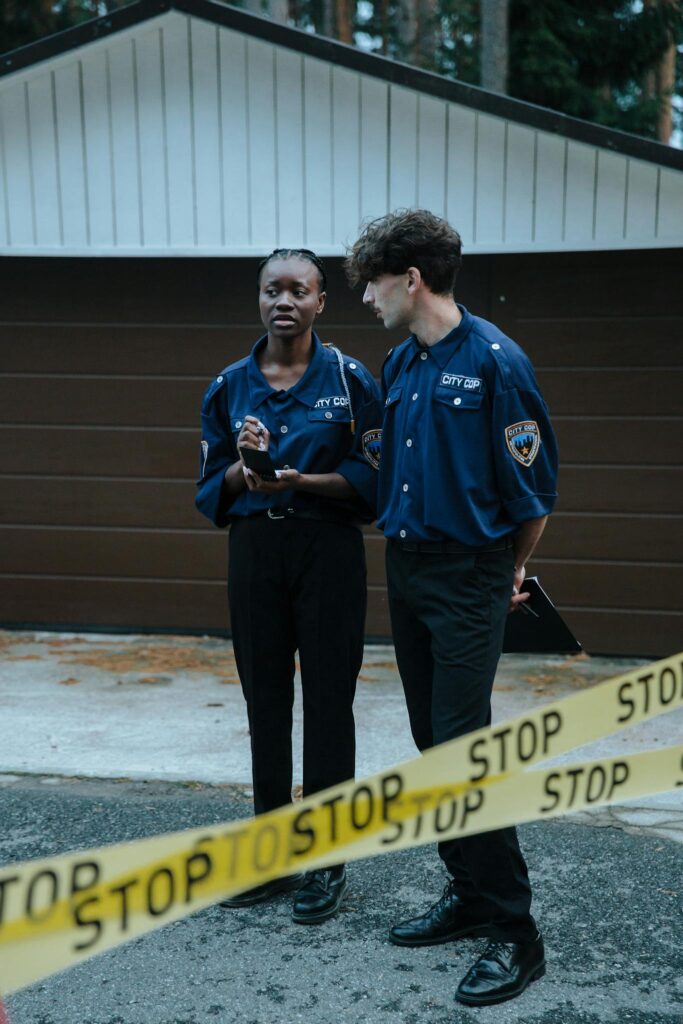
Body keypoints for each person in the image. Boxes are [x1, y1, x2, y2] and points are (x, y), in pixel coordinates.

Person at [345, 210, 559, 1006]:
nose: (364, 296)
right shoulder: (399, 363)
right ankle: (468, 896)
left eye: (371, 281)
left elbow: (532, 492)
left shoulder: (499, 363)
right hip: (406, 567)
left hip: (471, 572)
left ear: (410, 278)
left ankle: (514, 932)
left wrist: (510, 569)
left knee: (464, 752)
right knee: (433, 744)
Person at [196, 248, 383, 924]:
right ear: (257, 297)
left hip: (327, 549)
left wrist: (300, 480)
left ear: (320, 301)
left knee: (329, 704)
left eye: (298, 290)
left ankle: (326, 862)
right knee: (265, 703)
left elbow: (372, 483)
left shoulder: (351, 380)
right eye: (272, 289)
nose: (285, 301)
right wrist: (246, 472)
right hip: (255, 552)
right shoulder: (227, 386)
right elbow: (207, 489)